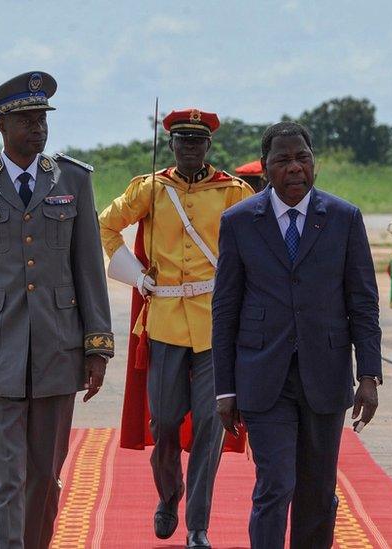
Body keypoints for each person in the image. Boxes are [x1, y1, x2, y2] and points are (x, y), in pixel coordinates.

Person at [0, 71, 114, 549]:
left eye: (43, 120)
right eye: (27, 121)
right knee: (6, 481)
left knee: (45, 480)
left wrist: (98, 346)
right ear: (2, 125)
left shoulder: (73, 179)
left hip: (58, 350)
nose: (38, 129)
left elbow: (89, 268)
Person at [212, 121, 382, 548]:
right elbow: (225, 309)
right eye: (282, 160)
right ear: (265, 168)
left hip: (325, 376)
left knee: (318, 494)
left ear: (314, 163)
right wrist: (224, 389)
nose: (294, 168)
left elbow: (363, 303)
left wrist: (369, 376)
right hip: (263, 378)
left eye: (302, 158)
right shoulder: (239, 222)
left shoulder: (344, 218)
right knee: (276, 485)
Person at [99, 108, 254, 548]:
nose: (190, 147)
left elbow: (254, 243)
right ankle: (169, 494)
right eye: (182, 140)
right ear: (171, 145)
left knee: (209, 424)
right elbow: (107, 225)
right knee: (164, 423)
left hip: (214, 324)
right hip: (164, 320)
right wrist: (133, 272)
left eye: (197, 141)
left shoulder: (233, 192)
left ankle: (198, 526)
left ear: (208, 146)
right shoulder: (151, 188)